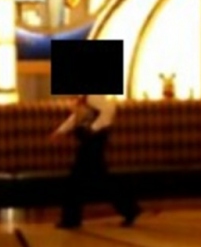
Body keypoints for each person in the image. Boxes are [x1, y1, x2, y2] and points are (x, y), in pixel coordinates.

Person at [49, 94, 141, 230]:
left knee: (77, 179)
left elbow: (108, 110)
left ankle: (71, 219)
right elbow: (79, 116)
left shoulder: (92, 95)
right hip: (91, 139)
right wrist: (61, 131)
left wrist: (93, 128)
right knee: (98, 178)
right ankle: (130, 209)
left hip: (93, 140)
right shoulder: (84, 96)